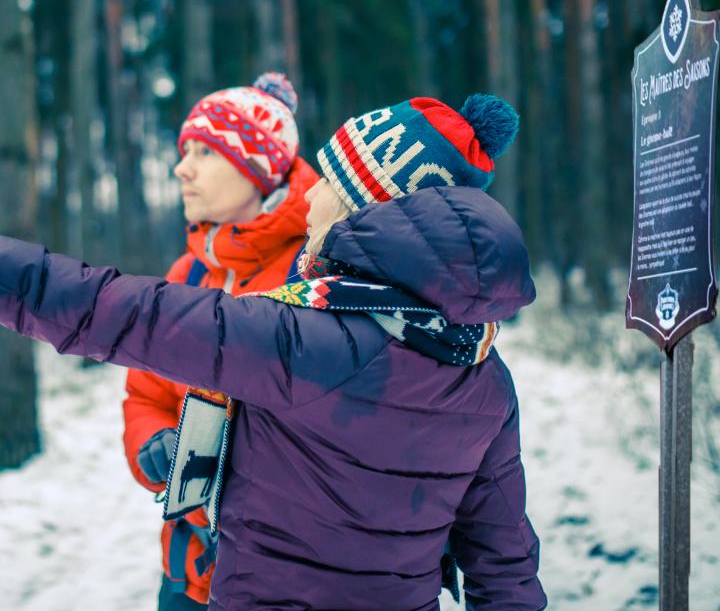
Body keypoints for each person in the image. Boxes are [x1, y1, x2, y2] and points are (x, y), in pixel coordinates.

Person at [0, 92, 547, 610]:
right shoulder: (483, 370)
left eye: (329, 180)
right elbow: (502, 560)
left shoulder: (302, 341)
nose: (310, 192)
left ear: (367, 209)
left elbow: (112, 310)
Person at [122, 73, 318, 610]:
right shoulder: (186, 274)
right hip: (188, 575)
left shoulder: (315, 273)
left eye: (204, 151)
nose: (181, 168)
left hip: (290, 584)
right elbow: (147, 396)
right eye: (185, 150)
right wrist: (152, 444)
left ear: (258, 168)